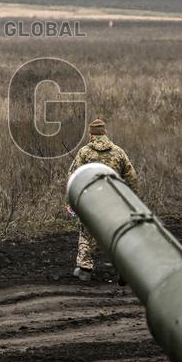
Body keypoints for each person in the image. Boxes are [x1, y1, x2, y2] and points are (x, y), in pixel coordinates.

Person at [67, 118, 139, 280]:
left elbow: (73, 176)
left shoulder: (84, 152)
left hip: (90, 201)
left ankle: (84, 269)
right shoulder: (118, 152)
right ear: (105, 133)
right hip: (115, 201)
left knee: (87, 233)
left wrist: (71, 201)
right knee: (119, 234)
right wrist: (131, 198)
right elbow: (131, 176)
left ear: (91, 135)